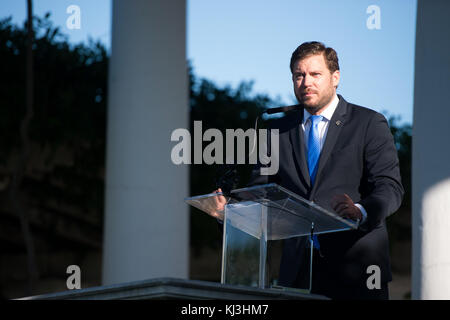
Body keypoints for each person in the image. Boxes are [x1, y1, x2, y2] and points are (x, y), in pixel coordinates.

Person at [212, 41, 404, 300]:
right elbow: (260, 192)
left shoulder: (368, 123)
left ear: (335, 78)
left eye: (315, 74)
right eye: (299, 75)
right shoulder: (276, 131)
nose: (306, 82)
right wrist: (232, 211)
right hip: (298, 271)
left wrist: (360, 211)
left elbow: (389, 186)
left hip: (358, 269)